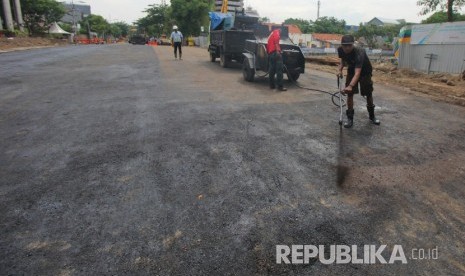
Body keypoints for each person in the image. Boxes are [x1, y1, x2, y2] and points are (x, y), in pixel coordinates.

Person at [337, 35, 380, 128]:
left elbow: (358, 73)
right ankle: (350, 118)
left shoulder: (359, 51)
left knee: (368, 93)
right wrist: (340, 70)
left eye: (350, 45)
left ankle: (372, 116)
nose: (347, 48)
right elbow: (343, 60)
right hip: (352, 70)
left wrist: (350, 85)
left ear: (353, 44)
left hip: (365, 71)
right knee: (350, 94)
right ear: (342, 45)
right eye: (345, 45)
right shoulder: (340, 50)